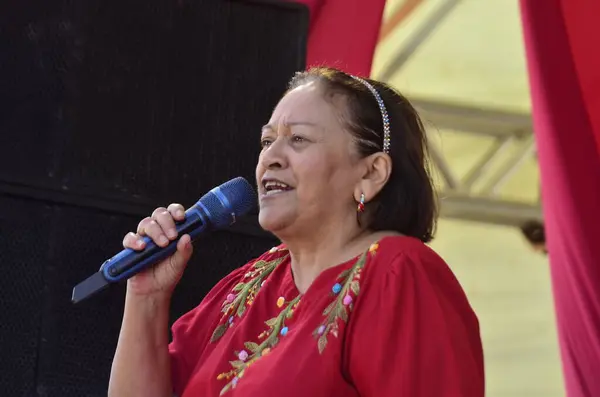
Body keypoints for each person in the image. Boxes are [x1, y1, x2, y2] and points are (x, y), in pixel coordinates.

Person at [108, 67, 485, 397]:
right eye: (267, 140)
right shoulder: (254, 282)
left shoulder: (397, 273)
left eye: (298, 139)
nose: (270, 156)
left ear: (371, 173)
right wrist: (147, 299)